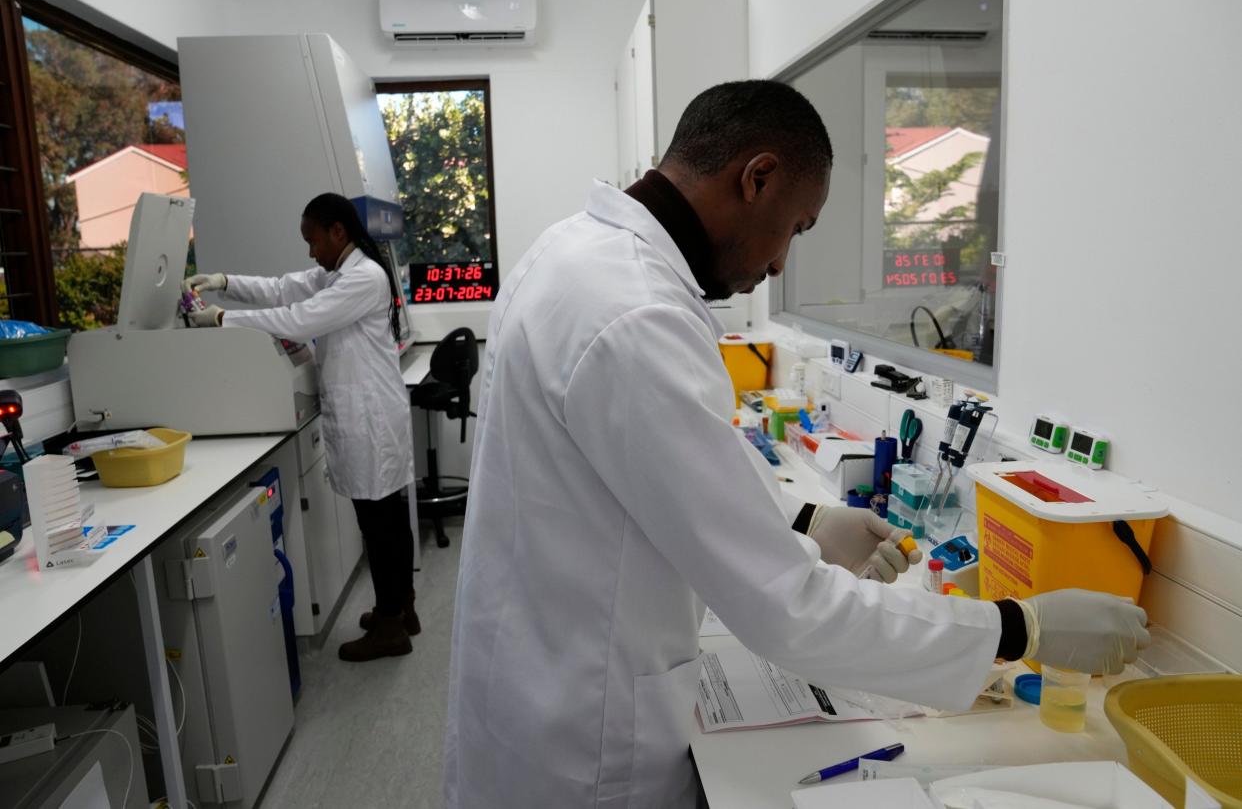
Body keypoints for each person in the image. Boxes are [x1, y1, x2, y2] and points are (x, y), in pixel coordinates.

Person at [442, 81, 1149, 807]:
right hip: (583, 741)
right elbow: (792, 610)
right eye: (797, 228)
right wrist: (1019, 625)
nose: (780, 265)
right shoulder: (636, 314)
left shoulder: (578, 255)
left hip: (535, 678)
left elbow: (661, 461)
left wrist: (804, 519)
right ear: (758, 177)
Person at [184, 193, 420, 663]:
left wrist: (223, 319)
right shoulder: (341, 271)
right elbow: (282, 289)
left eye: (313, 240)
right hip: (369, 412)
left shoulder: (363, 279)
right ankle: (400, 609)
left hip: (369, 416)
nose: (310, 251)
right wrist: (225, 282)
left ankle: (392, 624)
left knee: (380, 523)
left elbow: (299, 318)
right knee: (385, 518)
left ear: (337, 231)